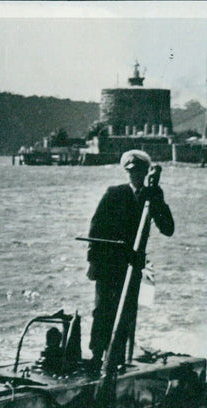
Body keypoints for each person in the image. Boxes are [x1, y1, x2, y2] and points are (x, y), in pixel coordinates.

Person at [86, 149, 174, 369]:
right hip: (109, 262)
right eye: (131, 171)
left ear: (146, 172)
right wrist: (93, 262)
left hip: (133, 265)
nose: (135, 175)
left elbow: (168, 229)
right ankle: (97, 357)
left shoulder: (152, 195)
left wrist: (157, 202)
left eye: (140, 171)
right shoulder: (114, 194)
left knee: (126, 312)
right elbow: (96, 228)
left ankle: (116, 360)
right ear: (126, 172)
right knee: (103, 310)